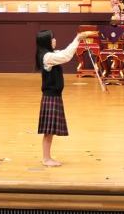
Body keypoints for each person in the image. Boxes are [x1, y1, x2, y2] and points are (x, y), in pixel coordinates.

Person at [35, 29, 86, 166]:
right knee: (48, 131)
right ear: (46, 41)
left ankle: (47, 157)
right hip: (50, 97)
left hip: (55, 97)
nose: (55, 40)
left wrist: (77, 39)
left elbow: (64, 52)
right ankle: (46, 159)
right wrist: (77, 40)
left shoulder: (52, 54)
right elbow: (66, 56)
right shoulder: (47, 57)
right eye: (52, 38)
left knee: (49, 131)